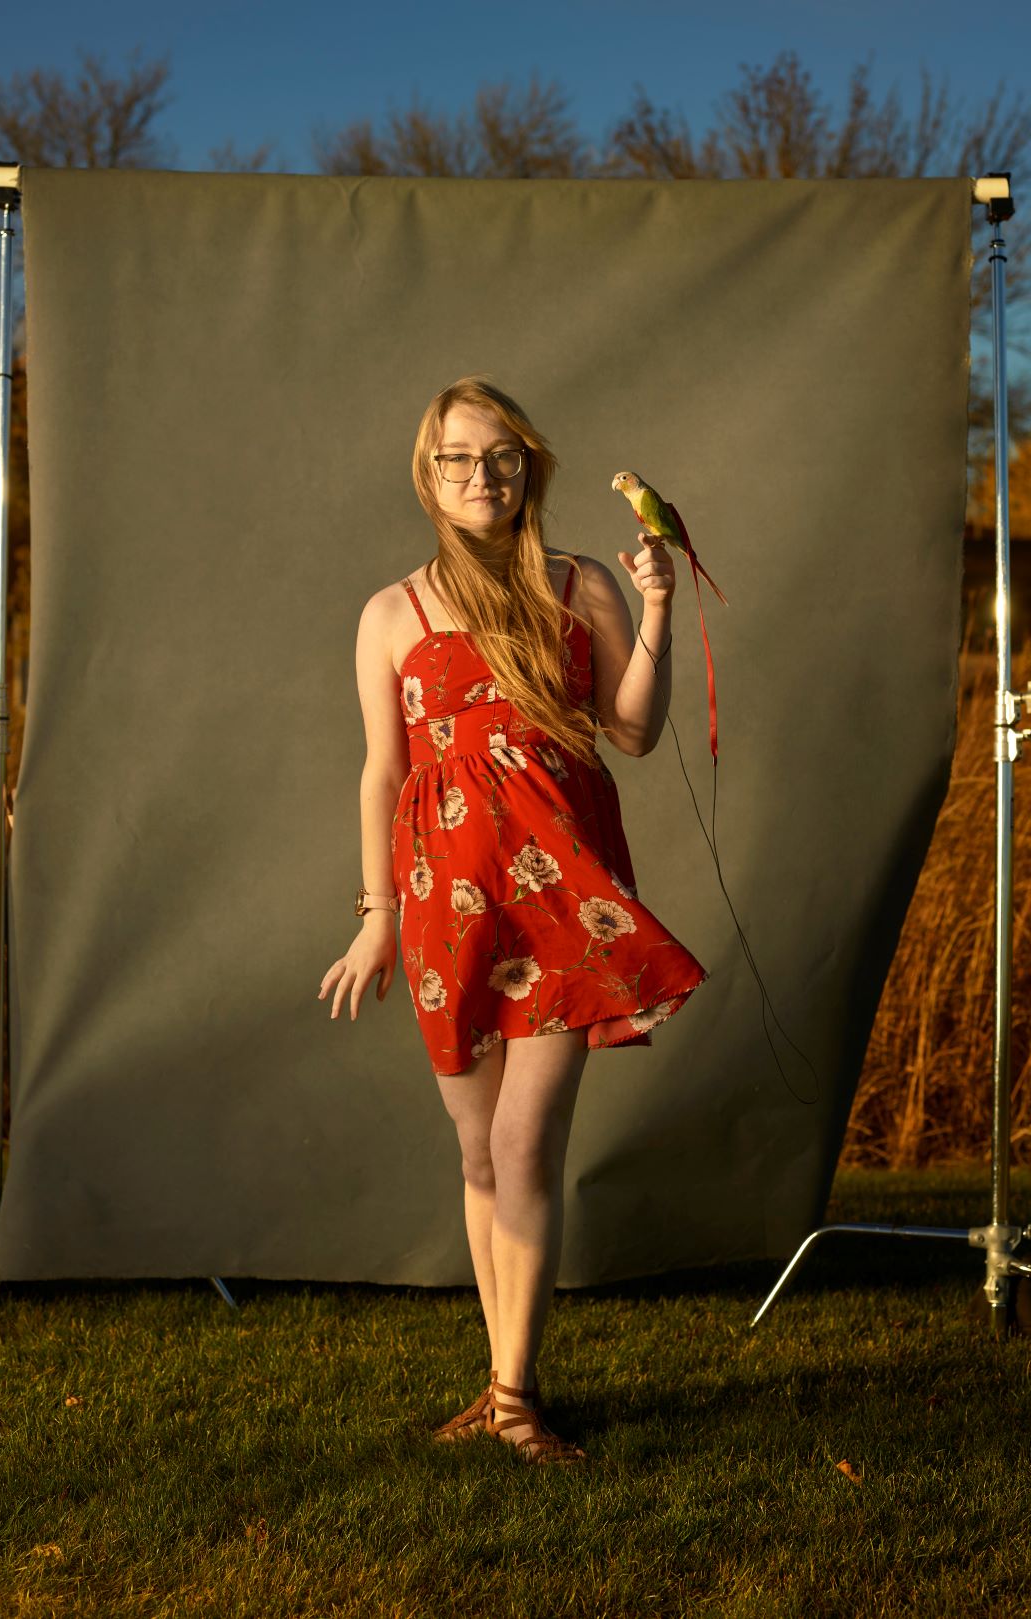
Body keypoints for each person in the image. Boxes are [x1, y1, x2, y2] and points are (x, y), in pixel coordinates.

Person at [317, 376, 707, 1464]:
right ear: (427, 472)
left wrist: (660, 614)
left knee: (523, 1141)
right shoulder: (391, 610)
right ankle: (498, 1388)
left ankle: (515, 1392)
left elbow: (628, 732)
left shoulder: (579, 582)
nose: (478, 476)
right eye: (455, 458)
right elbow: (379, 773)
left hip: (557, 904)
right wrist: (374, 916)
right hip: (447, 909)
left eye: (498, 456)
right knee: (475, 1150)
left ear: (526, 464)